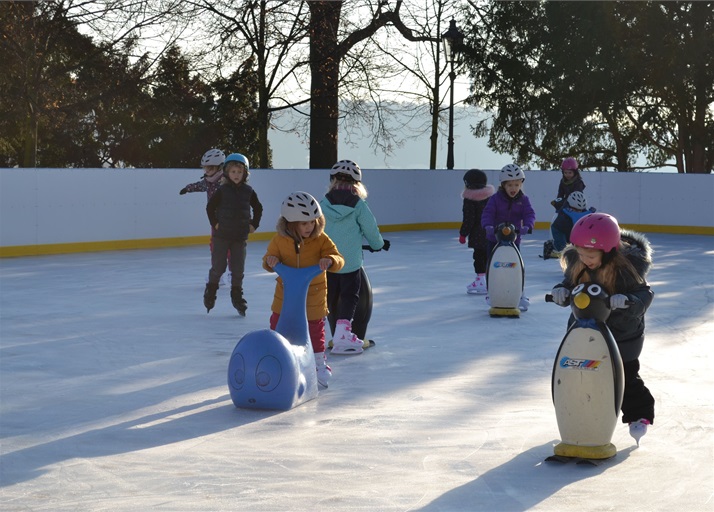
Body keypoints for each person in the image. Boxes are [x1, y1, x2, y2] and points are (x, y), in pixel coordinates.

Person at [550, 212, 655, 444]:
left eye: (590, 255)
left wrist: (628, 301)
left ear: (608, 251)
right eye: (580, 253)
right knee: (577, 374)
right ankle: (579, 416)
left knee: (625, 376)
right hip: (584, 331)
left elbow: (644, 293)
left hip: (622, 334)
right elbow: (569, 284)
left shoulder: (627, 268)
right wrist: (561, 291)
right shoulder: (579, 262)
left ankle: (638, 414)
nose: (584, 259)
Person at [263, 192, 345, 388]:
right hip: (285, 297)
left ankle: (318, 364)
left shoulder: (321, 239)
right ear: (291, 223)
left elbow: (338, 258)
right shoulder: (279, 241)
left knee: (315, 330)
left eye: (312, 221)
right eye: (304, 223)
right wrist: (270, 261)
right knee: (277, 326)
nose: (309, 227)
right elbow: (267, 259)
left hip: (313, 298)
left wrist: (330, 260)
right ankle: (279, 360)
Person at [320, 159, 387, 354]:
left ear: (333, 181)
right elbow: (371, 229)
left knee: (331, 297)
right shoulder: (358, 205)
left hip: (329, 261)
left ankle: (331, 334)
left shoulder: (323, 203)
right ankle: (343, 334)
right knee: (350, 297)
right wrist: (378, 245)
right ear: (357, 184)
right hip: (350, 263)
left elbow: (316, 228)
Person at [204, 153, 263, 315]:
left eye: (239, 172)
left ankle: (237, 296)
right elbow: (210, 208)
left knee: (238, 269)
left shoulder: (248, 191)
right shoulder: (222, 191)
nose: (236, 175)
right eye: (233, 172)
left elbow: (258, 208)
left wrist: (254, 225)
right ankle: (211, 291)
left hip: (239, 237)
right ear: (227, 173)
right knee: (219, 267)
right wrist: (215, 223)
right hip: (222, 236)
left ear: (245, 174)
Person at [481, 164, 536, 311]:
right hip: (494, 240)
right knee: (492, 267)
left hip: (513, 241)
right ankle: (491, 293)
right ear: (503, 185)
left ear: (521, 184)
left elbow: (529, 214)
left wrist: (528, 225)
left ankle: (520, 294)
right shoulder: (495, 199)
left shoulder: (523, 200)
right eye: (510, 185)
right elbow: (488, 213)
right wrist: (488, 226)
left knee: (517, 268)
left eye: (517, 185)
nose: (513, 188)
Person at [180, 148, 231, 284]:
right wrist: (188, 188)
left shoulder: (226, 181)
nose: (206, 171)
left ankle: (231, 272)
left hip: (228, 220)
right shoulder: (208, 181)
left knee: (229, 247)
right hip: (215, 221)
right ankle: (219, 272)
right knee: (215, 246)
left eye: (210, 168)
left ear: (219, 167)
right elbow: (199, 185)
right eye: (205, 168)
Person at [458, 169, 496, 295]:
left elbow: (469, 218)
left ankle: (481, 281)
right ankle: (490, 281)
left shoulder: (470, 199)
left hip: (477, 234)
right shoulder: (491, 197)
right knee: (488, 256)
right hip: (491, 233)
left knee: (478, 257)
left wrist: (463, 234)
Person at [544, 157, 587, 258]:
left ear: (575, 172)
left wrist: (567, 204)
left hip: (576, 204)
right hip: (565, 204)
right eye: (565, 172)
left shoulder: (579, 183)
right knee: (559, 222)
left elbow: (576, 195)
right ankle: (560, 245)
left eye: (570, 173)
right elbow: (560, 193)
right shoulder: (562, 181)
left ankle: (578, 243)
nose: (567, 175)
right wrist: (557, 201)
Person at [544, 191, 595, 259]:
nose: (579, 212)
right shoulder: (564, 212)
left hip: (573, 230)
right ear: (571, 205)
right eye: (576, 210)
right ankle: (551, 247)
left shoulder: (585, 213)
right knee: (563, 249)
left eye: (580, 210)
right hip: (560, 230)